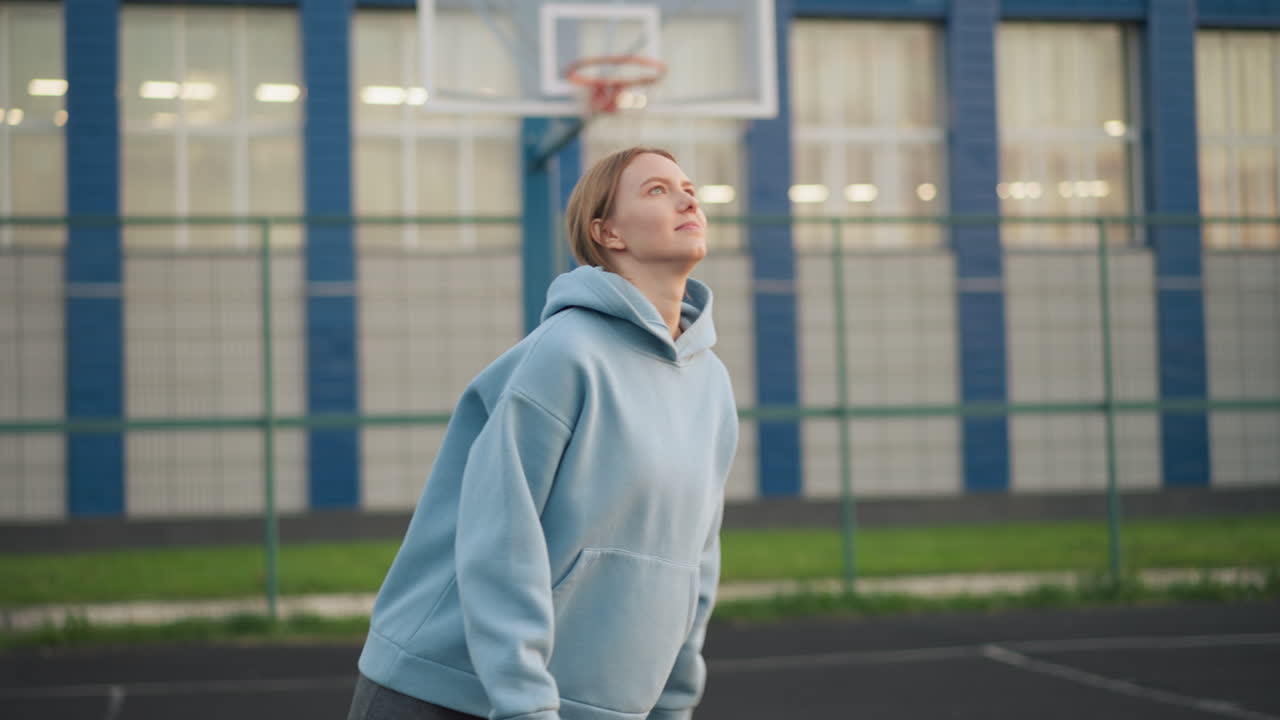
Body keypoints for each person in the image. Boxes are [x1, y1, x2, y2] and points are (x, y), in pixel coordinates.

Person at [348, 146, 739, 720]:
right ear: (606, 232)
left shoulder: (711, 384)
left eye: (689, 188)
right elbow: (500, 540)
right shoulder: (564, 355)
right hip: (450, 693)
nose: (687, 197)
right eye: (656, 190)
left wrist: (671, 703)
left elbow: (696, 558)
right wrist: (527, 704)